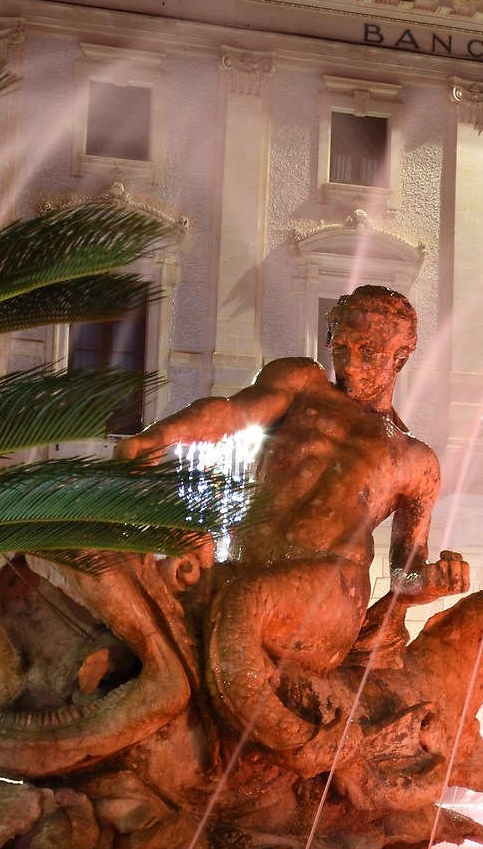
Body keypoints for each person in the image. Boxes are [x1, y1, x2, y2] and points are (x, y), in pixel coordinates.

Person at [118, 286, 465, 750]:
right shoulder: (302, 383)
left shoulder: (414, 460)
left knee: (245, 602)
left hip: (329, 593)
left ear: (400, 357)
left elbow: (404, 575)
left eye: (368, 352)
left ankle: (299, 744)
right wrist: (157, 438)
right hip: (245, 566)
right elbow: (231, 414)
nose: (349, 364)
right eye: (340, 348)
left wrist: (435, 581)